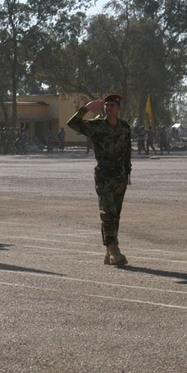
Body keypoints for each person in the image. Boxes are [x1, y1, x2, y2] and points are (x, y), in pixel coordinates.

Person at [66, 94, 131, 265]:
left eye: (112, 105)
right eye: (106, 105)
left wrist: (127, 173)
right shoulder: (96, 126)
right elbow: (72, 123)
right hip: (104, 175)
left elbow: (127, 152)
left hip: (120, 176)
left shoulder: (124, 127)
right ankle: (114, 249)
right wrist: (86, 108)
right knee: (107, 212)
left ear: (118, 109)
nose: (108, 108)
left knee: (115, 214)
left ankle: (109, 250)